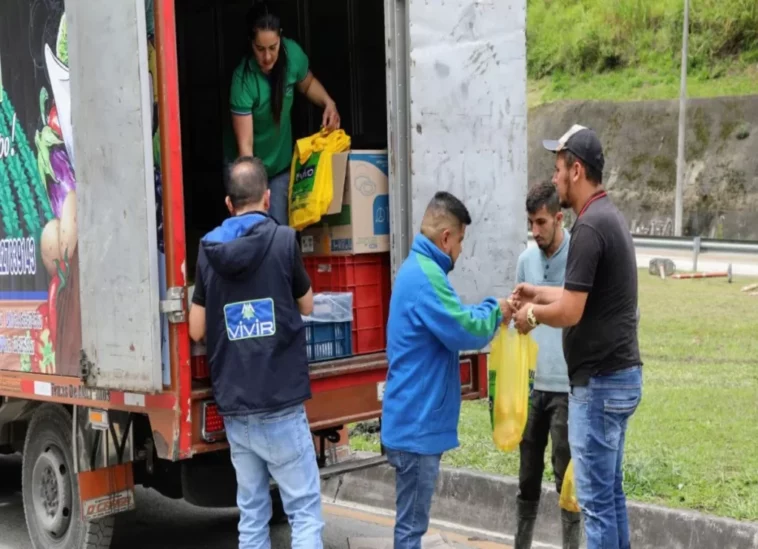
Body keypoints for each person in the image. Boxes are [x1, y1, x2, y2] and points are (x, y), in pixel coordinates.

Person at [512, 125, 642, 549]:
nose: (554, 179)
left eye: (558, 169)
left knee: (596, 504)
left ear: (576, 170)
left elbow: (570, 310)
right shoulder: (610, 218)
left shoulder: (588, 229)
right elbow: (575, 294)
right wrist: (536, 291)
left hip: (600, 386)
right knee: (612, 496)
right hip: (621, 378)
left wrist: (531, 314)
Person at [188, 156, 323, 549]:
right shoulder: (283, 240)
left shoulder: (209, 248)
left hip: (236, 407)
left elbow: (196, 328)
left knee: (251, 515)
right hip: (280, 402)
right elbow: (308, 304)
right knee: (304, 512)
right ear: (267, 199)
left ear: (229, 204)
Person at [381, 191, 511, 549]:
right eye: (461, 242)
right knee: (410, 530)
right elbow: (463, 329)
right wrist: (496, 310)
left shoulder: (418, 270)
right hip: (416, 427)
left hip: (411, 421)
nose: (460, 252)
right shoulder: (426, 278)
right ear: (446, 238)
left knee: (410, 525)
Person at [509, 182, 581, 549]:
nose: (534, 232)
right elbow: (518, 320)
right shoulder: (526, 260)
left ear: (558, 217)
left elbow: (574, 311)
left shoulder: (579, 255)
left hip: (568, 388)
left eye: (541, 223)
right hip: (533, 386)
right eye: (530, 223)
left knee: (565, 481)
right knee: (527, 477)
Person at [228, 2, 340, 226]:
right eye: (260, 49)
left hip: (280, 166)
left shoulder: (292, 55)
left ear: (280, 39)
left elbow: (307, 85)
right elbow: (246, 147)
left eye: (273, 47)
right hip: (247, 166)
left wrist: (329, 102)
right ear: (251, 44)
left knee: (280, 229)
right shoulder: (242, 81)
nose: (268, 56)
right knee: (253, 228)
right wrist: (254, 193)